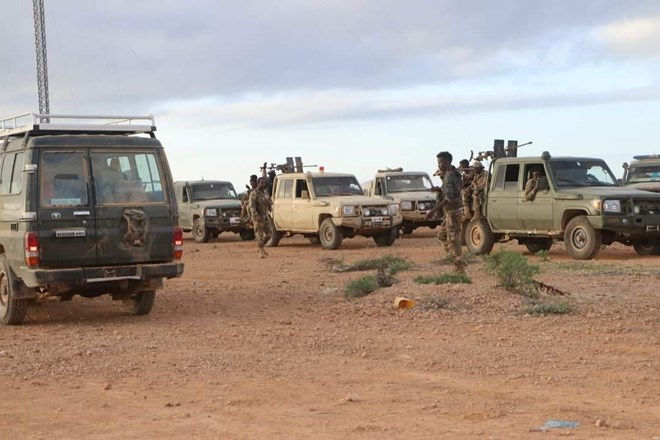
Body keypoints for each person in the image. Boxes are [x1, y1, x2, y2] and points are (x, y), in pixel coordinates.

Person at [426, 151, 466, 274]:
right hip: (453, 211)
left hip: (453, 212)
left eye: (441, 162)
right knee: (442, 235)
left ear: (448, 162)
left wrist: (433, 211)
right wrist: (439, 189)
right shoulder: (454, 173)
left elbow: (448, 197)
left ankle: (459, 266)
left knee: (453, 239)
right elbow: (455, 189)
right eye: (438, 163)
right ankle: (457, 260)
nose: (439, 165)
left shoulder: (448, 176)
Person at [249, 177, 273, 258]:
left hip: (265, 216)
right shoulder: (254, 193)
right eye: (262, 183)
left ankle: (261, 246)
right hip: (258, 217)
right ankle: (261, 251)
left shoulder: (265, 193)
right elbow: (252, 206)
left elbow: (270, 202)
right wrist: (256, 216)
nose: (263, 184)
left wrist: (269, 204)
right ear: (258, 183)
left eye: (264, 183)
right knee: (259, 235)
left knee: (270, 234)